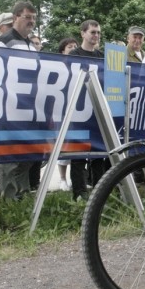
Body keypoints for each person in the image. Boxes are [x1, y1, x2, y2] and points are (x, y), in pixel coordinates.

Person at [0, 1, 38, 198]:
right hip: (9, 107)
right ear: (15, 18)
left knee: (26, 154)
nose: (31, 22)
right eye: (28, 17)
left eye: (34, 18)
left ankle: (23, 196)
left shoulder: (31, 45)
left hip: (28, 108)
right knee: (10, 155)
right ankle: (9, 199)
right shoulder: (3, 41)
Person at [69, 20, 108, 201]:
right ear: (83, 33)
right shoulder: (73, 55)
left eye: (98, 32)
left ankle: (99, 193)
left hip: (97, 110)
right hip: (78, 110)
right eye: (93, 32)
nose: (96, 36)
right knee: (78, 155)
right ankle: (79, 193)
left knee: (99, 154)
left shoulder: (102, 56)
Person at [55, 38, 78, 191]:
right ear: (63, 50)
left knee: (76, 146)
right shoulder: (58, 66)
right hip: (62, 110)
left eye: (75, 46)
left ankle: (75, 180)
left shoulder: (79, 65)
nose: (73, 49)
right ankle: (62, 179)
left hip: (79, 112)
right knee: (64, 146)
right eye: (70, 47)